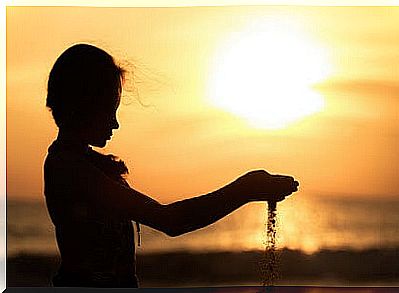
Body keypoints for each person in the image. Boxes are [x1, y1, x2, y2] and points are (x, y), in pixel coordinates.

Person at [43, 43, 299, 288]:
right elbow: (170, 220)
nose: (115, 123)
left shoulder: (86, 165)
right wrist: (246, 188)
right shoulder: (68, 168)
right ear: (85, 106)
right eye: (110, 110)